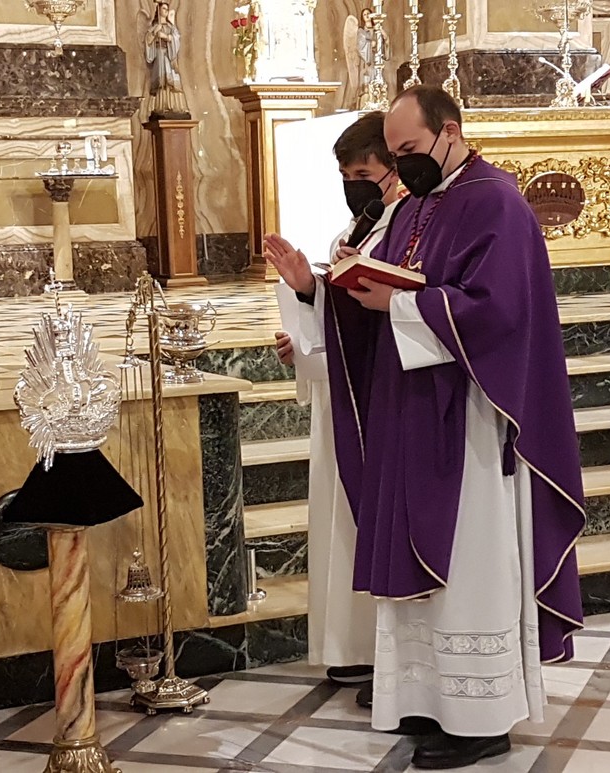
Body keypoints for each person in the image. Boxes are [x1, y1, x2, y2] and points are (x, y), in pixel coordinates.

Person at [265, 85, 585, 769]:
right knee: (420, 562)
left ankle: (481, 717)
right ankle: (429, 699)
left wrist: (403, 307)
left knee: (466, 566)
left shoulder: (495, 200)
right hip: (417, 409)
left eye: (409, 150)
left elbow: (498, 311)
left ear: (450, 131)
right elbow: (386, 288)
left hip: (469, 418)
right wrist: (317, 294)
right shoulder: (422, 204)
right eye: (399, 152)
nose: (403, 165)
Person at [270, 111, 399, 704]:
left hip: (381, 397)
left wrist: (319, 303)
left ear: (395, 167)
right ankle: (350, 648)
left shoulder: (407, 223)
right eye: (346, 174)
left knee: (363, 519)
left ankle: (380, 653)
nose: (354, 184)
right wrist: (306, 300)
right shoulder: (357, 229)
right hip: (344, 393)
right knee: (338, 518)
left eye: (363, 172)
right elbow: (340, 312)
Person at [144, 2, 189, 119]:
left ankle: (174, 105)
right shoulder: (155, 27)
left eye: (166, 9)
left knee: (171, 80)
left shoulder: (171, 27)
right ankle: (161, 105)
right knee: (161, 80)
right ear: (158, 11)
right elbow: (148, 42)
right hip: (159, 55)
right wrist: (155, 33)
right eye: (163, 9)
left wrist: (166, 37)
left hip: (168, 56)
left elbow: (176, 39)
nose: (165, 11)